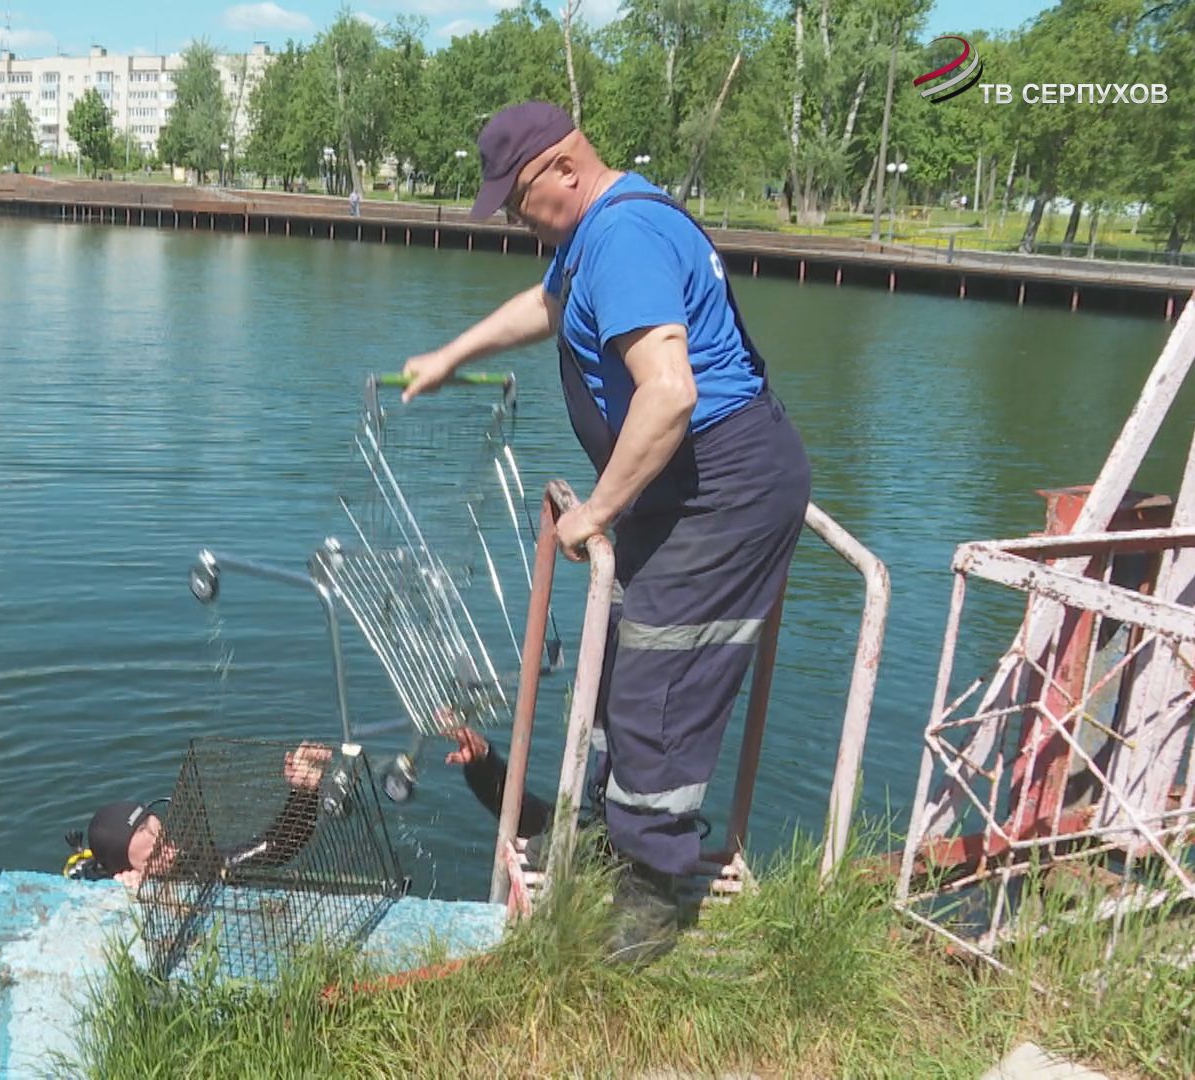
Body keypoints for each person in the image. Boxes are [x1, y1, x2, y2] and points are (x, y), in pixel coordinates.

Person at [400, 101, 811, 965]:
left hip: (722, 489)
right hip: (680, 483)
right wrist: (450, 357)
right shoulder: (593, 238)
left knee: (659, 685)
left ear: (563, 168)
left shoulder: (622, 240)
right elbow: (543, 308)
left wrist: (596, 512)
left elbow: (668, 393)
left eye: (518, 203)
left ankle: (650, 905)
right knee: (620, 663)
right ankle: (599, 841)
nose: (517, 221)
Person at [64, 743, 334, 888]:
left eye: (166, 839)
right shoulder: (103, 886)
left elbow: (276, 848)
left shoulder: (187, 863)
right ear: (125, 870)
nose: (172, 852)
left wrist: (305, 793)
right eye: (154, 857)